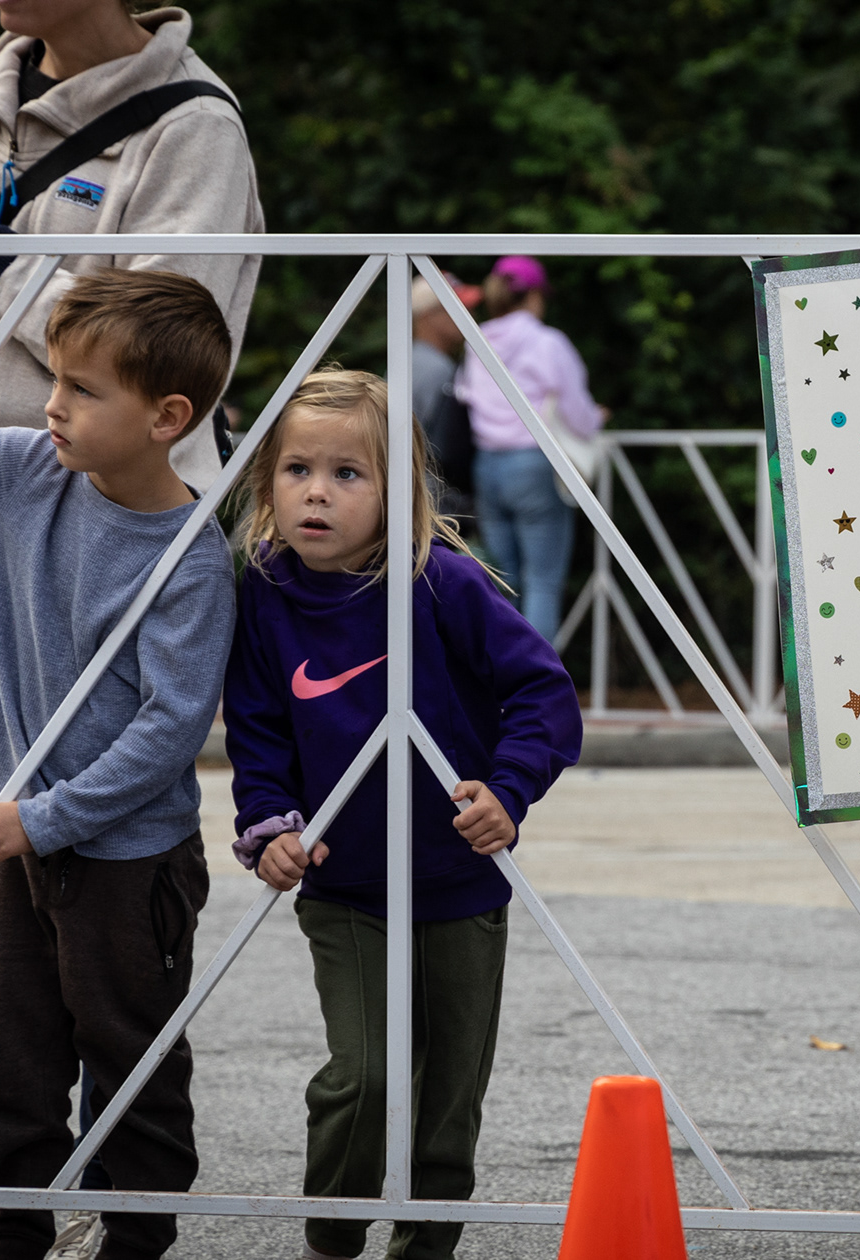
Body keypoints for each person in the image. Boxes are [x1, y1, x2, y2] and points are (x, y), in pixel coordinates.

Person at [0, 4, 263, 1256]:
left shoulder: (194, 126)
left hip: (102, 526)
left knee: (116, 989)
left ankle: (121, 1216)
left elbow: (178, 333)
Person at [219, 370, 583, 1260]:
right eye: (298, 467)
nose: (317, 491)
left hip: (459, 880)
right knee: (367, 1075)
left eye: (350, 473)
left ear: (399, 489)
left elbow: (546, 695)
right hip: (344, 886)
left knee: (449, 1092)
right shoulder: (261, 590)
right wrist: (268, 826)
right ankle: (332, 1239)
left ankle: (427, 1245)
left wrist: (508, 789)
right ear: (267, 478)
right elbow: (258, 729)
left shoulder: (440, 583)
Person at [453, 256, 606, 641]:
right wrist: (596, 419)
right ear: (535, 295)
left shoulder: (477, 341)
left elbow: (465, 394)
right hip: (535, 464)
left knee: (503, 583)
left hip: (487, 466)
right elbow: (574, 408)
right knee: (542, 582)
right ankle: (539, 691)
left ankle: (501, 689)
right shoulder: (546, 342)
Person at [411, 274, 482, 533]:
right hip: (435, 504)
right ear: (428, 315)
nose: (468, 316)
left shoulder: (409, 361)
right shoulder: (436, 370)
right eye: (457, 308)